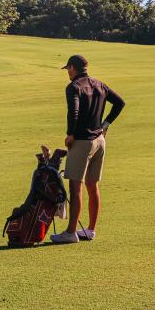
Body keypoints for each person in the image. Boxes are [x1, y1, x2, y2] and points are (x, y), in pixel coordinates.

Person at [51, 55, 125, 244]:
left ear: (73, 68)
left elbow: (73, 111)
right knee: (92, 185)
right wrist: (105, 124)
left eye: (68, 68)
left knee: (76, 185)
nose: (68, 72)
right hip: (99, 140)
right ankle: (90, 230)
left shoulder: (73, 87)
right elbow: (119, 103)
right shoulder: (99, 84)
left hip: (83, 141)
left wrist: (70, 134)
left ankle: (70, 233)